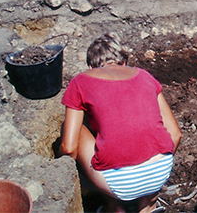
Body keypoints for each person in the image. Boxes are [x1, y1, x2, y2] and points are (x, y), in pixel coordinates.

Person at [59, 32, 181, 213]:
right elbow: (176, 133)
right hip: (160, 172)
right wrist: (153, 180)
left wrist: (58, 167)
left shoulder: (80, 82)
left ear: (91, 65)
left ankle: (115, 207)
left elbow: (69, 149)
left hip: (118, 184)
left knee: (75, 129)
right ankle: (147, 204)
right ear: (124, 61)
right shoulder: (145, 76)